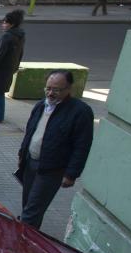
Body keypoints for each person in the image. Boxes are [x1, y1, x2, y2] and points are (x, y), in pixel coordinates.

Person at [17, 70, 94, 229]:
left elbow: (82, 145)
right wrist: (22, 154)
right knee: (28, 205)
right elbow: (30, 131)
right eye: (48, 88)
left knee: (32, 210)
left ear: (68, 89)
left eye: (56, 90)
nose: (51, 93)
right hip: (30, 163)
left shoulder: (80, 112)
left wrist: (71, 174)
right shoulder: (40, 105)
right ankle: (31, 237)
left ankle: (21, 241)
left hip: (51, 170)